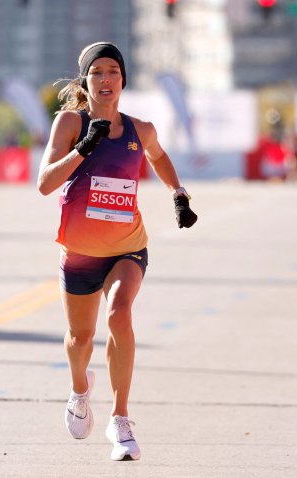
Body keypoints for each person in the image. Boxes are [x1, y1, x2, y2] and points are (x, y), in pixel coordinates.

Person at [37, 42, 197, 462]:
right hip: (80, 253)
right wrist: (83, 148)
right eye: (97, 72)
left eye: (113, 71)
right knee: (80, 338)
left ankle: (121, 419)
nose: (105, 79)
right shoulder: (71, 122)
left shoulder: (138, 129)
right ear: (85, 81)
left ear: (123, 79)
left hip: (128, 247)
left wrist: (178, 194)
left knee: (120, 313)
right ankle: (78, 390)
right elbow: (45, 183)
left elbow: (159, 157)